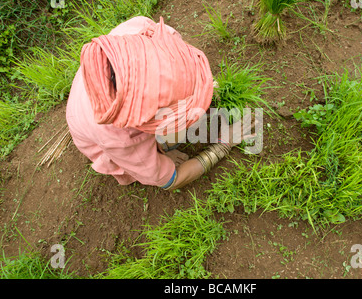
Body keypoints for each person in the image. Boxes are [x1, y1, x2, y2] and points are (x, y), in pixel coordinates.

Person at [66, 16, 255, 191]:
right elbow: (172, 180)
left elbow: (182, 47)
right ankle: (158, 151)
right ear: (146, 120)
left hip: (87, 103)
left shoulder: (140, 31)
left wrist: (201, 83)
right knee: (173, 142)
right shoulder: (122, 139)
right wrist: (223, 144)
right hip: (93, 131)